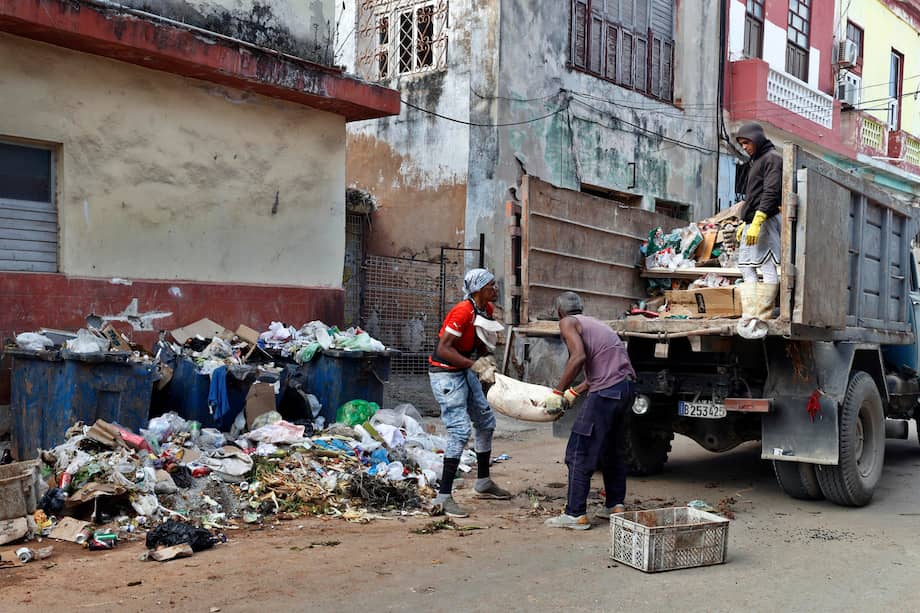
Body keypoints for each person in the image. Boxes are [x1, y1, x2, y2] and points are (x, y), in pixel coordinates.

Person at [543, 292, 636, 530]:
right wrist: (575, 391)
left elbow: (578, 358)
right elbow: (604, 367)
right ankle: (615, 505)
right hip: (625, 388)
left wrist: (557, 391)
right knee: (611, 449)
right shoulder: (594, 324)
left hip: (606, 392)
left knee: (578, 451)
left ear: (559, 312)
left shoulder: (567, 323)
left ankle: (575, 514)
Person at [428, 268, 512, 517]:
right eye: (491, 285)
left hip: (463, 368)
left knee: (486, 421)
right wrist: (474, 365)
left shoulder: (484, 310)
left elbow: (479, 342)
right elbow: (444, 349)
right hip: (446, 373)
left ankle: (483, 481)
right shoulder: (462, 311)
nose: (495, 289)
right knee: (459, 430)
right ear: (478, 290)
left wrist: (487, 360)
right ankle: (443, 497)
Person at [733, 122, 783, 329]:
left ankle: (762, 315)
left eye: (747, 142)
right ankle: (750, 314)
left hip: (765, 221)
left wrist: (757, 221)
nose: (744, 146)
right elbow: (752, 196)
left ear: (757, 139)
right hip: (753, 221)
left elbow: (771, 192)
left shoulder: (772, 158)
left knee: (766, 265)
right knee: (747, 266)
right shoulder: (757, 161)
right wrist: (745, 222)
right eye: (742, 143)